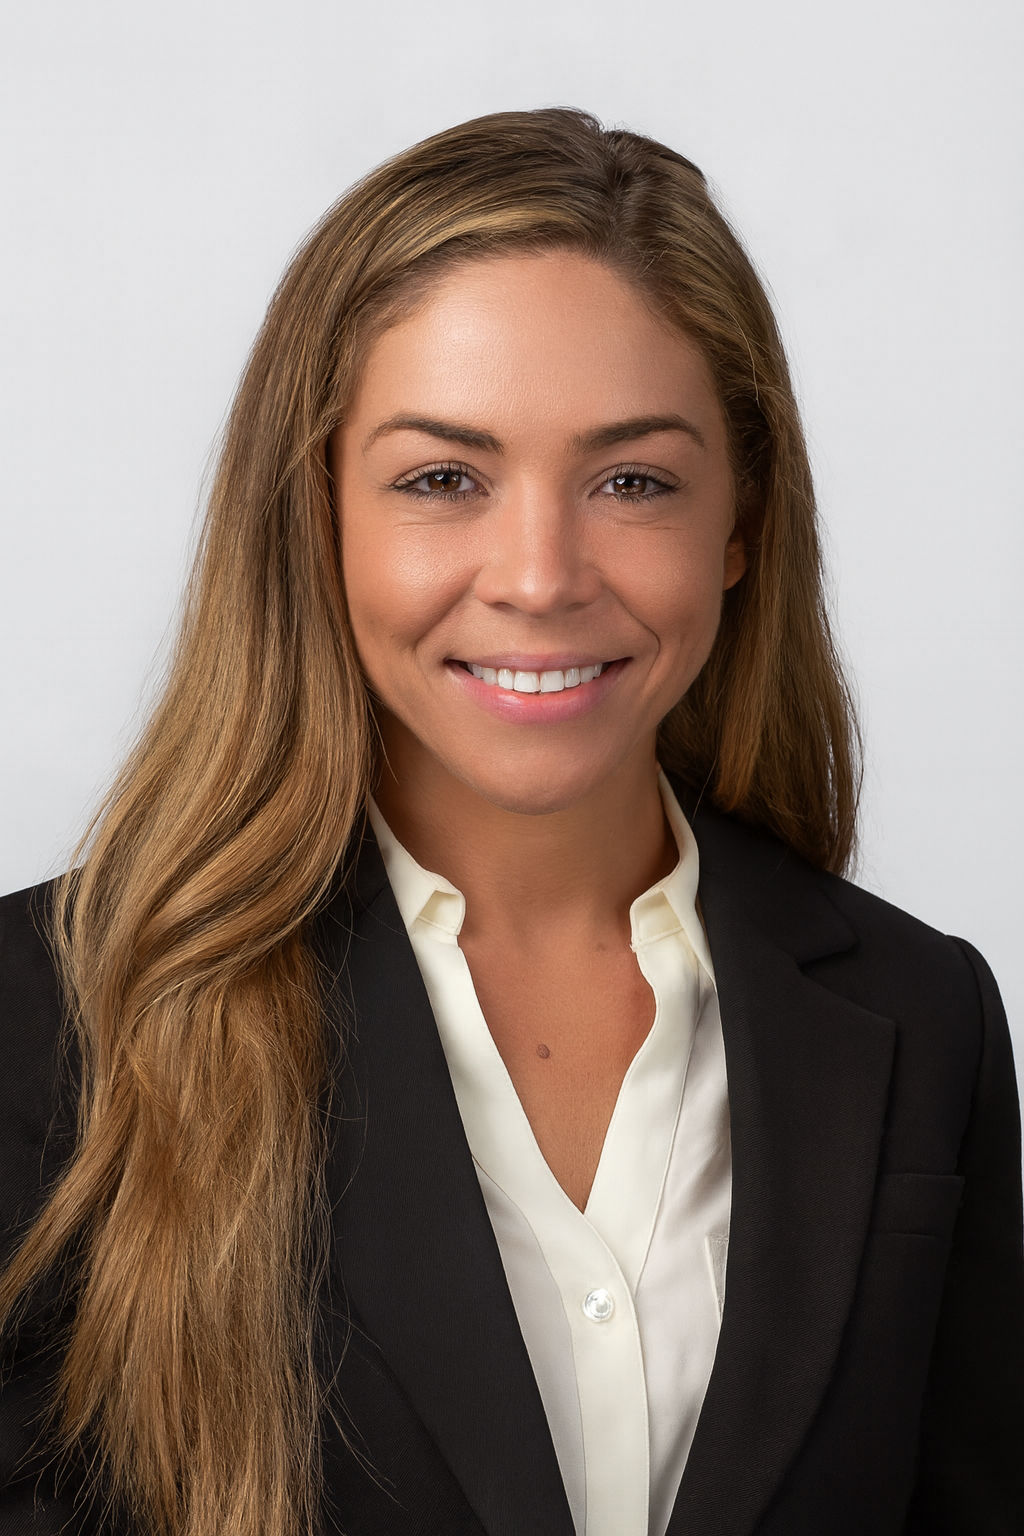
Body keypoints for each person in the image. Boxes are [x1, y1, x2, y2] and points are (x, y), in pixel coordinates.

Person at [0, 107, 1021, 1536]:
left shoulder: (929, 1018)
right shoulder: (52, 1017)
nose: (539, 576)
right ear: (318, 516)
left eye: (632, 482)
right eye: (441, 480)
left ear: (741, 521)